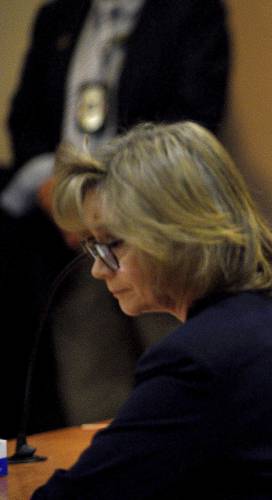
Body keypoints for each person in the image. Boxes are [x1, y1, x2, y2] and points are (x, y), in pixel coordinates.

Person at [32, 122, 272, 499]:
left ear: (177, 234)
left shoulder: (198, 361)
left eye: (110, 244)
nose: (98, 268)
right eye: (92, 248)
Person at [0, 0, 230, 437]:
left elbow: (194, 121)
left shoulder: (190, 13)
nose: (101, 264)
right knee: (91, 384)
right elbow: (25, 120)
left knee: (176, 378)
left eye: (106, 249)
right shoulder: (58, 16)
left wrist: (115, 199)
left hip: (154, 229)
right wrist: (61, 194)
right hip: (59, 232)